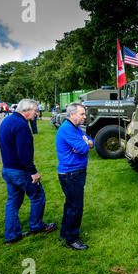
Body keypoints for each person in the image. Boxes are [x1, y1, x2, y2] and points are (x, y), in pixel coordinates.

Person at [0, 99, 57, 245]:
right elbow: (23, 153)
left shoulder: (7, 120)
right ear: (26, 110)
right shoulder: (21, 125)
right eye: (35, 111)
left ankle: (12, 235)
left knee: (13, 201)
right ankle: (36, 227)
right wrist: (33, 172)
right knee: (38, 195)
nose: (36, 114)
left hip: (7, 169)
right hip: (20, 170)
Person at [56, 102, 94, 250]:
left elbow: (92, 142)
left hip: (74, 173)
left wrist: (87, 143)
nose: (85, 116)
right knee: (75, 206)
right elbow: (82, 148)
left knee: (70, 204)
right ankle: (72, 239)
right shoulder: (67, 129)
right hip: (71, 174)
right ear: (72, 114)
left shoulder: (75, 128)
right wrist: (85, 144)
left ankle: (65, 233)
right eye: (82, 114)